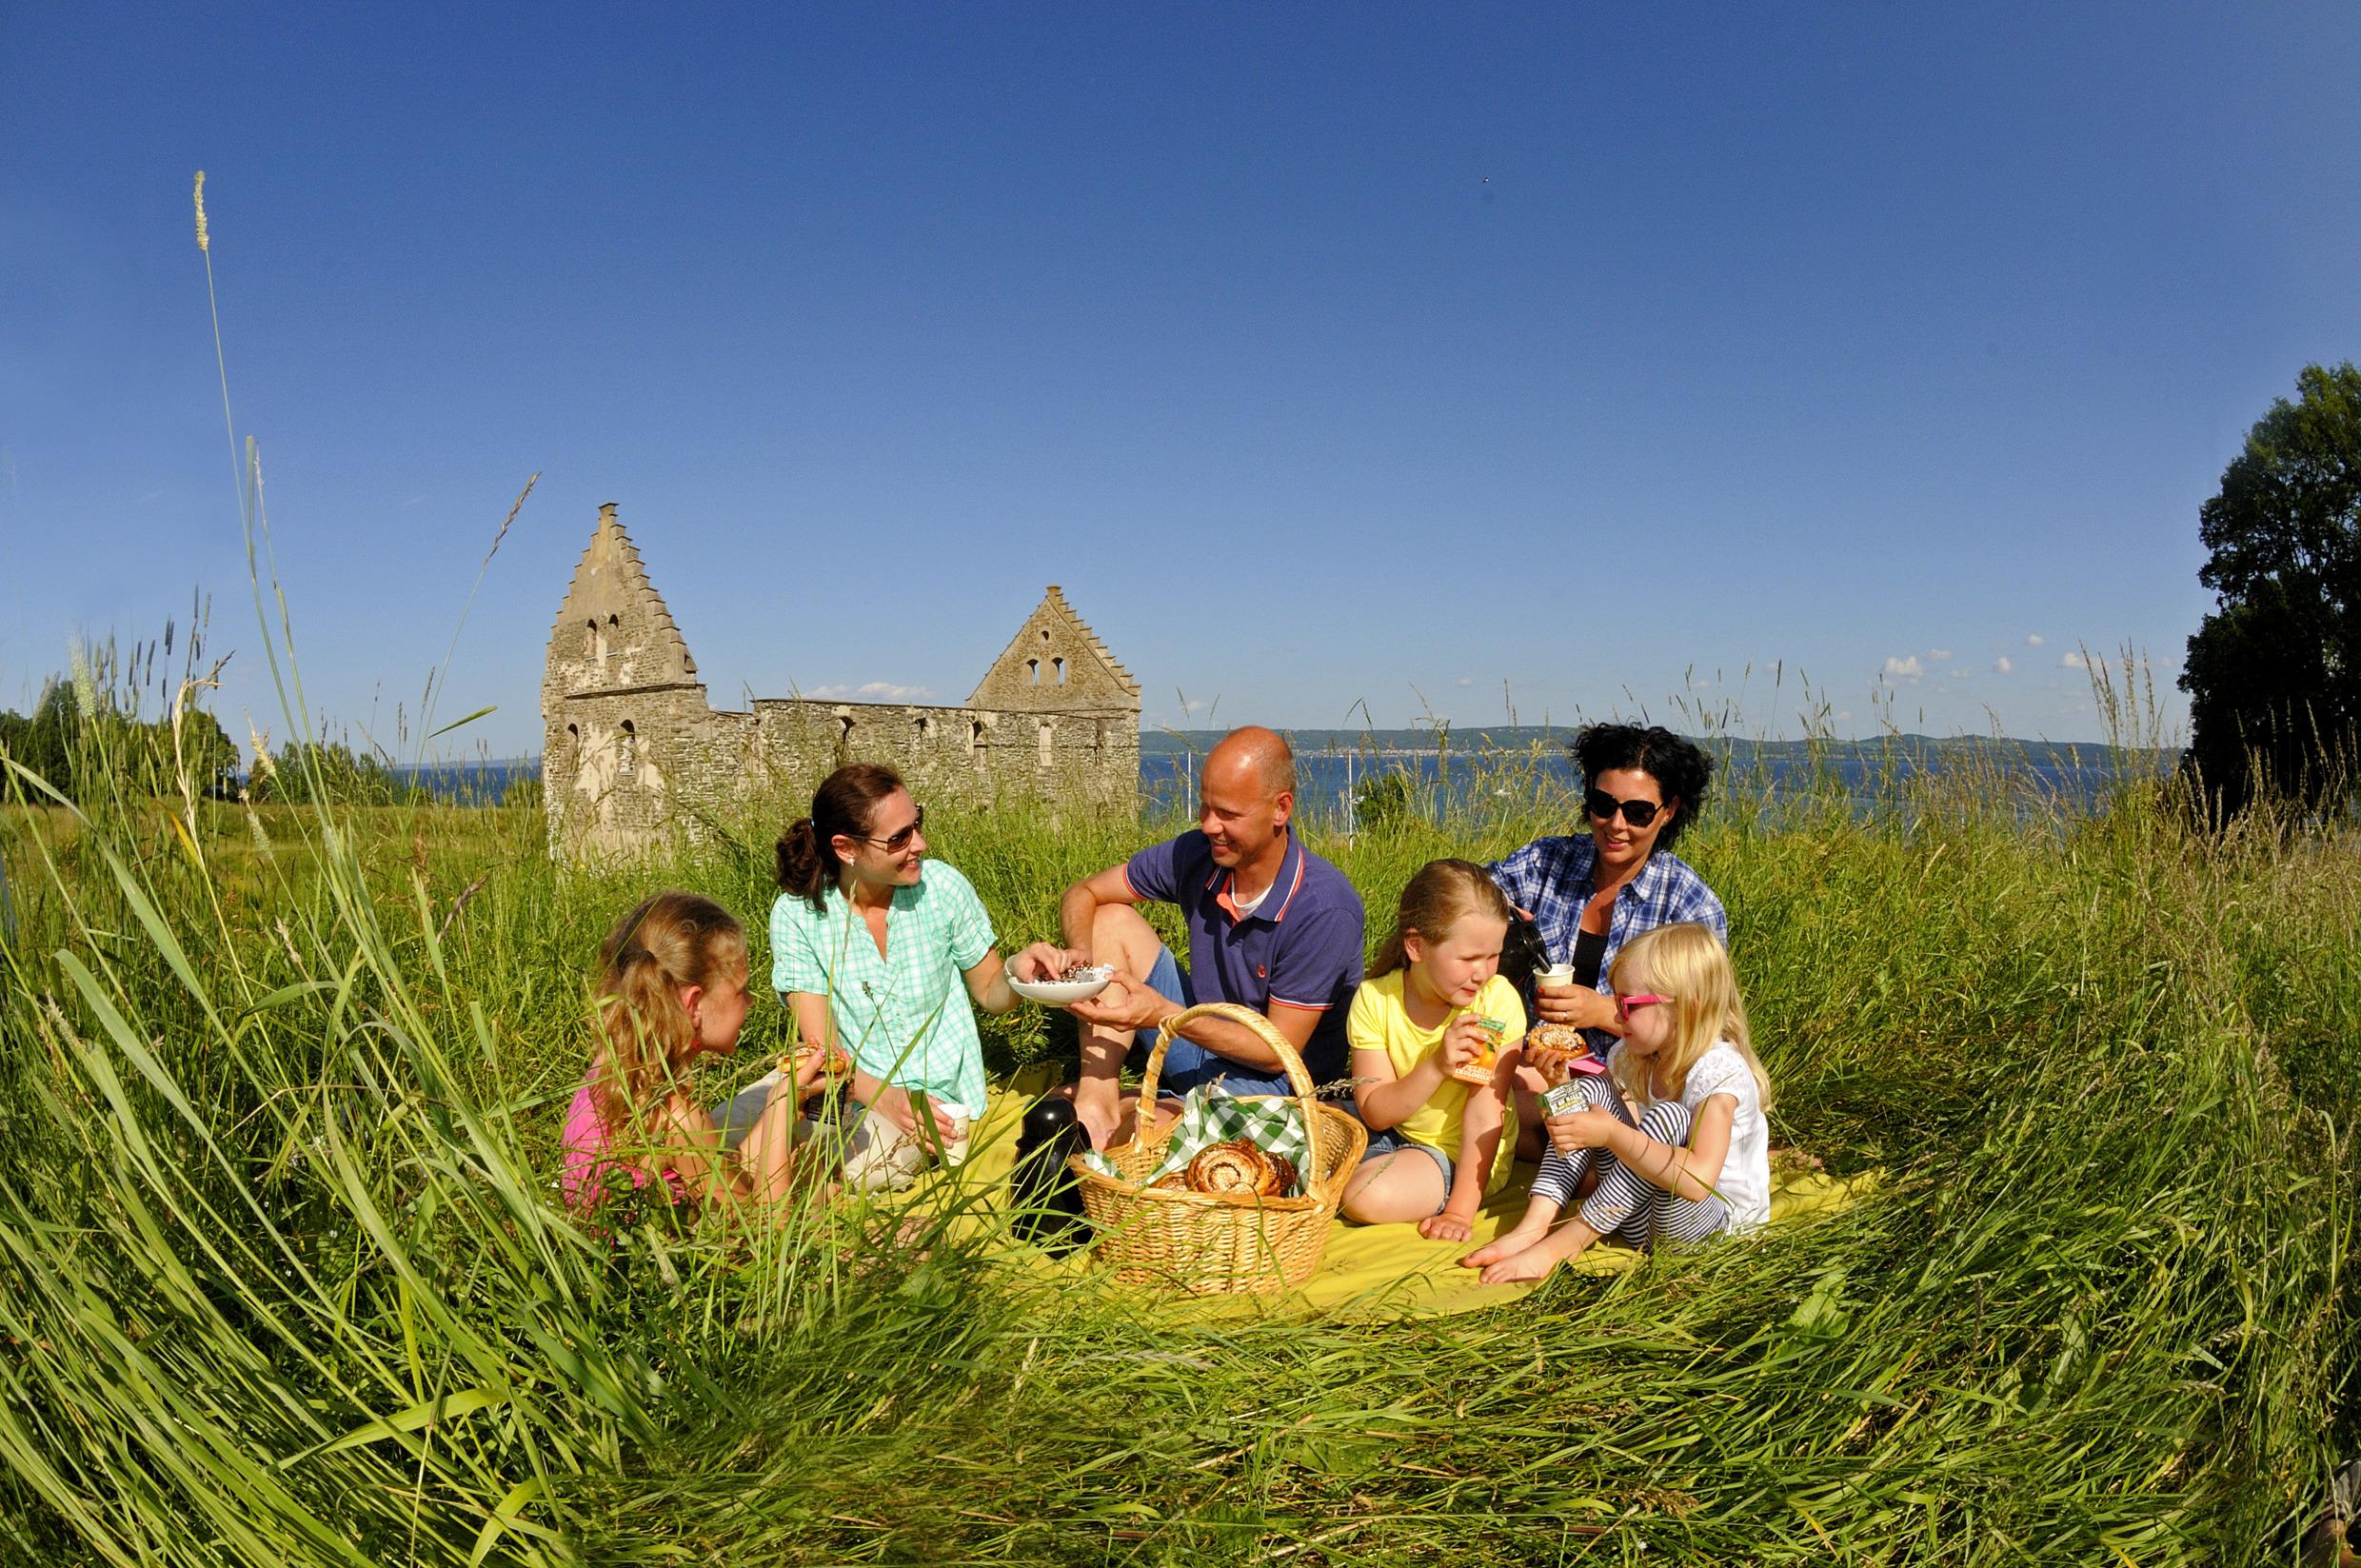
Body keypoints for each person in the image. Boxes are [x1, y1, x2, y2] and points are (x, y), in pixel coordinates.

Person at [1008, 726, 1365, 1185]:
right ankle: (1097, 1100)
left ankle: (1123, 1122)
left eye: (1228, 814)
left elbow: (1274, 1052)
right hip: (1195, 1035)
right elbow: (1084, 893)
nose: (1208, 825)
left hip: (1275, 1089)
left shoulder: (1324, 908)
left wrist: (1163, 1015)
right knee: (1110, 918)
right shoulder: (1198, 854)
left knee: (1151, 1135)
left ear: (1281, 809)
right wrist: (1081, 951)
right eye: (1205, 806)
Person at [762, 762, 1028, 1191]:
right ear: (846, 848)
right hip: (844, 1090)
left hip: (930, 1099)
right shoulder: (797, 915)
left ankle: (776, 1195)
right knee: (718, 1133)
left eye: (917, 823)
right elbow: (823, 1052)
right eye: (900, 837)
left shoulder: (943, 888)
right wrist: (885, 1097)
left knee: (860, 1167)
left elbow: (991, 993)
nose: (919, 844)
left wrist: (1018, 973)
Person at [1461, 923, 1773, 1282]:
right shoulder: (1636, 1054)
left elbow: (1698, 1181)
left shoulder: (1718, 1070)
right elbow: (1576, 1127)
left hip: (1711, 1233)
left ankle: (1566, 1242)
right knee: (1588, 1091)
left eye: (1628, 1005)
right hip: (1641, 1222)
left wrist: (1612, 1135)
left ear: (1686, 1009)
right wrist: (1558, 1085)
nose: (1616, 1015)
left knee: (1669, 1117)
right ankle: (1533, 1226)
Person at [1487, 723, 1727, 1151]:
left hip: (1627, 1089)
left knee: (1494, 1111)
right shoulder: (1547, 862)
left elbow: (1702, 1031)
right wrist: (1493, 915)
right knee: (1495, 1101)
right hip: (1533, 1068)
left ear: (1668, 811)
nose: (1616, 825)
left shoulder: (1689, 906)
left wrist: (1604, 1012)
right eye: (1603, 804)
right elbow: (1454, 901)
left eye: (1637, 812)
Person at [560, 890, 827, 1214]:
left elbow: (721, 1171)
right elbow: (766, 1242)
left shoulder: (610, 1072)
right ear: (693, 1005)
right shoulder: (678, 1118)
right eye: (741, 991)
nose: (751, 1001)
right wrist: (780, 1112)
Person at [1340, 860, 1525, 1242]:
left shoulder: (1492, 1005)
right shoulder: (1375, 999)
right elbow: (1375, 1111)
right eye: (1469, 959)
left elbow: (1483, 1110)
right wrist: (1438, 1064)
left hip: (1458, 1155)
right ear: (1416, 946)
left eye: (1493, 955)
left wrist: (1460, 1211)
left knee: (1364, 1195)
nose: (1484, 973)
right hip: (1390, 1132)